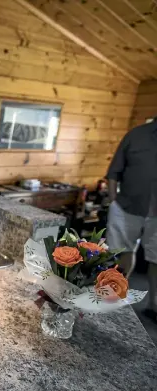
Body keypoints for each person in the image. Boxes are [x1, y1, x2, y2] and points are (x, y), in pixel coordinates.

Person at [106, 117, 157, 322]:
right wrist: (113, 202)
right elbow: (113, 172)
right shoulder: (136, 135)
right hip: (126, 207)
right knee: (122, 252)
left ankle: (154, 305)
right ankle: (115, 295)